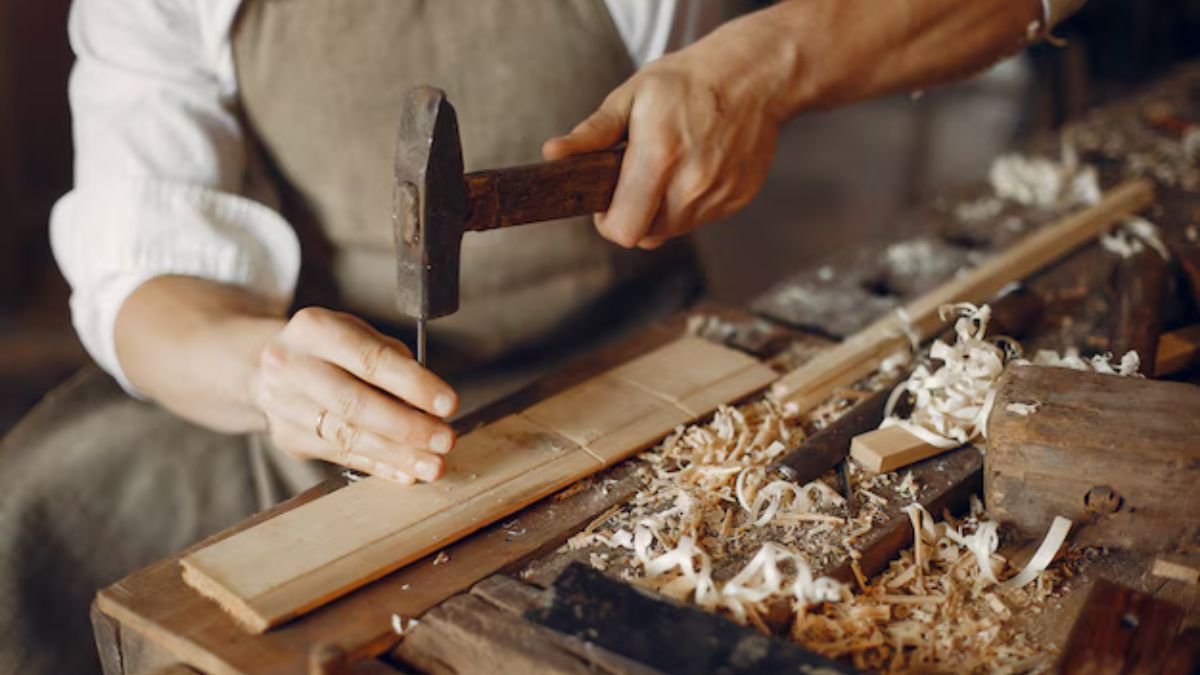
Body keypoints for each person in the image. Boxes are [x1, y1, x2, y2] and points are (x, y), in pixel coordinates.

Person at [0, 0, 1084, 672]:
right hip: (307, 384)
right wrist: (263, 366)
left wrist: (772, 63)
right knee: (33, 518)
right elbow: (145, 279)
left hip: (618, 364)